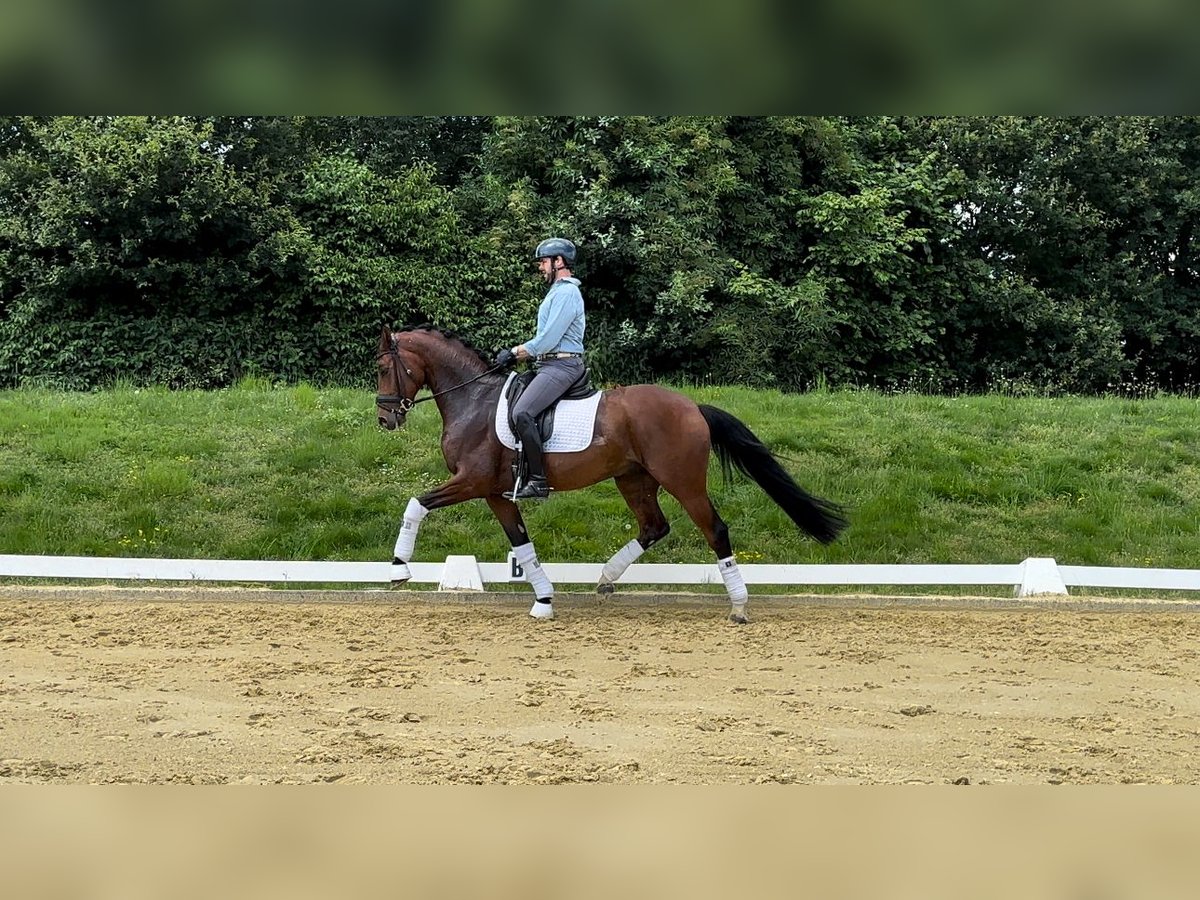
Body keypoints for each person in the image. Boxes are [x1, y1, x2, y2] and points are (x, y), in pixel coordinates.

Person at [493, 237, 586, 500]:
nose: (540, 267)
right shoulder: (556, 292)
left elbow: (548, 340)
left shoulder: (567, 293)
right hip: (548, 363)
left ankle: (538, 481)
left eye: (544, 261)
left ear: (559, 262)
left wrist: (514, 353)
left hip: (562, 365)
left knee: (523, 412)